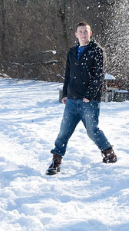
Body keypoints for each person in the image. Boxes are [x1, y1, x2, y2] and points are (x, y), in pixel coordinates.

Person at [47, 22, 117, 176]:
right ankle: (56, 161)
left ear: (90, 33)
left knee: (92, 132)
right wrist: (65, 93)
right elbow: (68, 75)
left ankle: (109, 153)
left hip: (89, 101)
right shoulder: (72, 52)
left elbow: (99, 75)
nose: (83, 34)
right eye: (80, 32)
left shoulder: (96, 51)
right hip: (72, 100)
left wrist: (89, 95)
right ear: (76, 34)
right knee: (63, 132)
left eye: (86, 31)